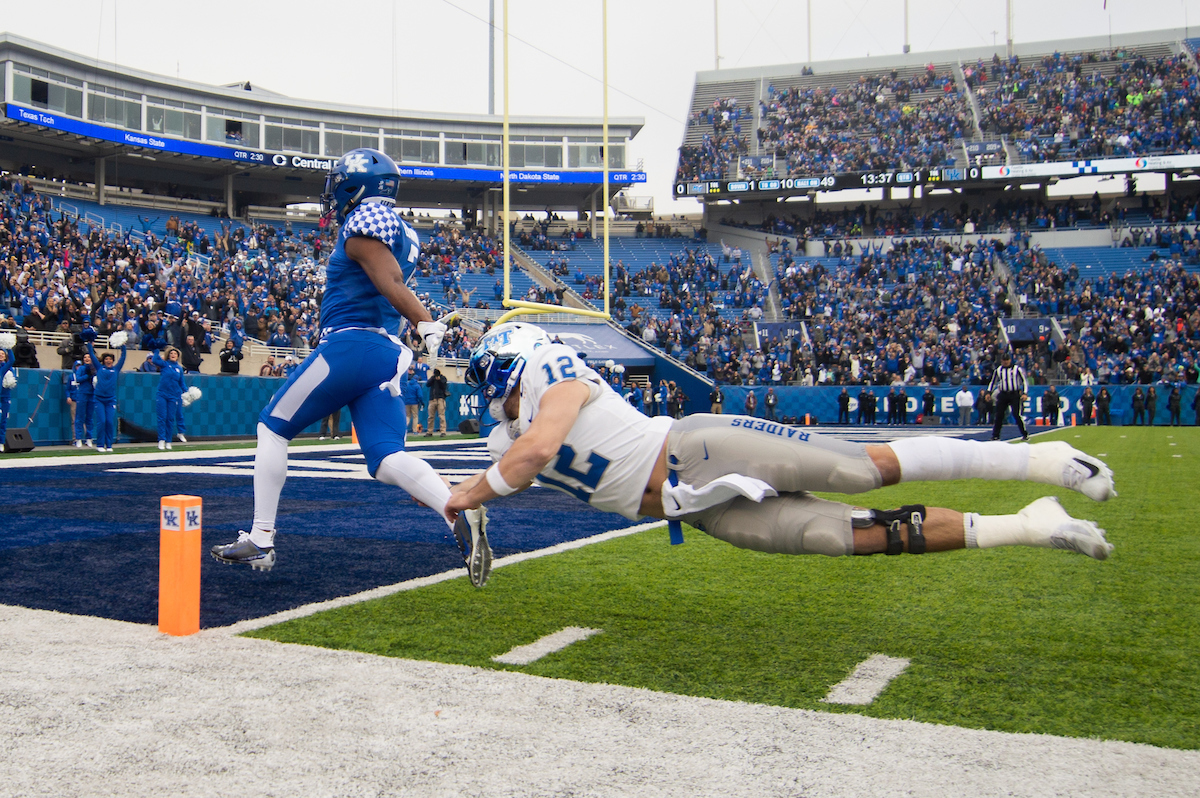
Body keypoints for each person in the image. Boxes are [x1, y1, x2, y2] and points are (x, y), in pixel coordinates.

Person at [447, 323, 1115, 569]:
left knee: (859, 470)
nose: (499, 404)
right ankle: (1030, 526)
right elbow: (512, 462)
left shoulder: (552, 370)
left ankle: (1040, 459)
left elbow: (532, 456)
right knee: (849, 536)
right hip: (697, 510)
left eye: (498, 389)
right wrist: (468, 507)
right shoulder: (504, 433)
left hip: (698, 452)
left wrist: (468, 494)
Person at [210, 148, 490, 587]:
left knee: (272, 427)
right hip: (383, 353)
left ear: (354, 187)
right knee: (385, 457)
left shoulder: (362, 228)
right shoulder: (402, 234)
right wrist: (420, 322)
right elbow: (392, 281)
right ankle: (457, 510)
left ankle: (261, 536)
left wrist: (423, 320)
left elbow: (390, 282)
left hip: (352, 345)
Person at [85, 336, 127, 453]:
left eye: (110, 359)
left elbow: (123, 357)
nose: (108, 361)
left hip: (110, 400)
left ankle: (109, 445)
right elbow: (92, 357)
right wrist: (90, 345)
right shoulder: (99, 368)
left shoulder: (116, 369)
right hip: (99, 399)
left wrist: (123, 345)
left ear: (113, 361)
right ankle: (99, 444)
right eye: (106, 359)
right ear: (103, 361)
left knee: (109, 421)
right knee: (101, 421)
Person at [151, 346, 188, 450]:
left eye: (175, 354)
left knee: (170, 419)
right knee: (162, 417)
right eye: (171, 353)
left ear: (177, 356)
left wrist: (187, 392)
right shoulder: (164, 364)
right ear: (168, 355)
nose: (173, 355)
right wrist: (157, 350)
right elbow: (154, 360)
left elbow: (181, 383)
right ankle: (161, 440)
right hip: (162, 394)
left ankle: (168, 441)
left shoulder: (179, 368)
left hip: (173, 396)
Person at [988, 352, 1028, 441]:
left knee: (1016, 414)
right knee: (999, 415)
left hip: (1014, 394)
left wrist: (1025, 393)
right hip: (1003, 394)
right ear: (1001, 361)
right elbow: (993, 382)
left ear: (1010, 360)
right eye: (1004, 360)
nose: (1005, 362)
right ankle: (995, 435)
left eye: (1007, 360)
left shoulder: (1016, 369)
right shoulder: (998, 370)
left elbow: (1024, 381)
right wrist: (989, 392)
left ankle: (1024, 434)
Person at [73, 352, 96, 448]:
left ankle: (89, 438)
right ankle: (78, 439)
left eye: (88, 357)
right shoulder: (82, 368)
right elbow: (78, 379)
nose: (86, 358)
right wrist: (88, 375)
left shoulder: (95, 368)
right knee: (80, 417)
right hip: (82, 394)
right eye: (85, 357)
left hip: (92, 394)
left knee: (89, 418)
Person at [401, 365, 424, 434]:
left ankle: (404, 429)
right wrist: (422, 402)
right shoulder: (417, 385)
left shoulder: (407, 385)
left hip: (407, 402)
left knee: (407, 416)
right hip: (414, 402)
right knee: (415, 416)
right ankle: (414, 431)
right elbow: (420, 395)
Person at [426, 367, 449, 437]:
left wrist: (439, 380)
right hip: (432, 399)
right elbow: (427, 384)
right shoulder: (432, 378)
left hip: (440, 399)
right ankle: (429, 431)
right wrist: (433, 378)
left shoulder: (443, 378)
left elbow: (444, 386)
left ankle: (443, 431)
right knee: (430, 417)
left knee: (441, 416)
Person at [0, 341, 14, 448]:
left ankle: (1, 443)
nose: (1, 355)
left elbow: (12, 360)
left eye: (2, 354)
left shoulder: (4, 369)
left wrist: (9, 347)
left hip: (4, 397)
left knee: (3, 420)